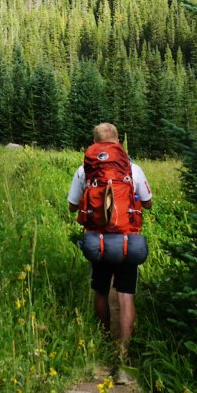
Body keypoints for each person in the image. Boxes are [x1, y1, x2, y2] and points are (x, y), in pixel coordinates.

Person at [67, 122, 153, 360]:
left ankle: (105, 340)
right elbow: (147, 202)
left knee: (101, 291)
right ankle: (123, 350)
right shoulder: (133, 169)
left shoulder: (84, 170)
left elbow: (72, 205)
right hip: (128, 240)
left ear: (94, 143)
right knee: (126, 295)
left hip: (97, 240)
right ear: (118, 142)